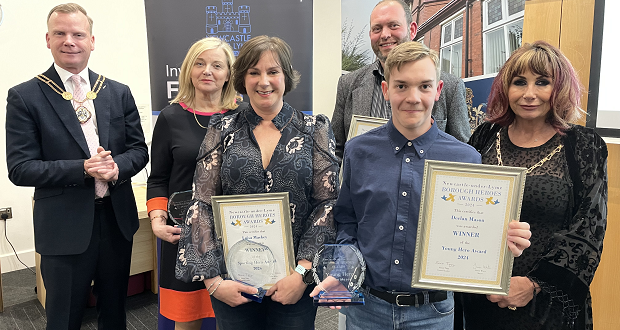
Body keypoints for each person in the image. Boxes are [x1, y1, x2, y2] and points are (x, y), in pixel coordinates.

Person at [312, 41, 531, 329]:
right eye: (401, 86)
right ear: (386, 90)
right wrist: (342, 270)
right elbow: (347, 221)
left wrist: (502, 244)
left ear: (438, 91)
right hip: (367, 310)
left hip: (433, 314)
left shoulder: (465, 159)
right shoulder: (358, 150)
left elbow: (475, 232)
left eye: (424, 86)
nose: (413, 97)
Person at [174, 35, 340, 330]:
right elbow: (201, 203)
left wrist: (302, 273)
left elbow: (327, 204)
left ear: (286, 77)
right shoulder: (222, 128)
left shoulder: (314, 129)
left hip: (293, 282)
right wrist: (213, 282)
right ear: (242, 79)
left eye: (272, 71)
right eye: (254, 72)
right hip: (232, 282)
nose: (264, 81)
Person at [5, 3, 148, 328]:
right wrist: (83, 168)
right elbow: (21, 167)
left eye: (78, 34)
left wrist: (116, 168)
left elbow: (138, 151)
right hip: (63, 227)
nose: (70, 40)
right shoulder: (26, 97)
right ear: (48, 39)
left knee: (115, 315)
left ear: (92, 41)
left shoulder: (117, 92)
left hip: (116, 223)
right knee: (64, 319)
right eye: (61, 33)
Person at [462, 41, 608, 330]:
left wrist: (534, 284)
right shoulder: (485, 135)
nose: (529, 94)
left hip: (549, 304)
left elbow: (590, 227)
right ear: (506, 88)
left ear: (560, 88)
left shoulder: (583, 145)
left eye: (543, 82)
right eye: (519, 82)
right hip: (483, 294)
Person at [147, 37, 241, 329]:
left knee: (230, 318)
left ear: (229, 74)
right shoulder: (170, 117)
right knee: (186, 319)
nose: (207, 71)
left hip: (232, 233)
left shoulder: (244, 118)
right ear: (189, 70)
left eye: (216, 65)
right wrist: (156, 219)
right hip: (183, 235)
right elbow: (159, 177)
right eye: (199, 64)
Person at [332, 0, 471, 161]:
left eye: (393, 25)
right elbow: (337, 149)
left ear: (412, 30)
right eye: (377, 28)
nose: (385, 34)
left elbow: (462, 154)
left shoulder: (451, 87)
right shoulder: (347, 84)